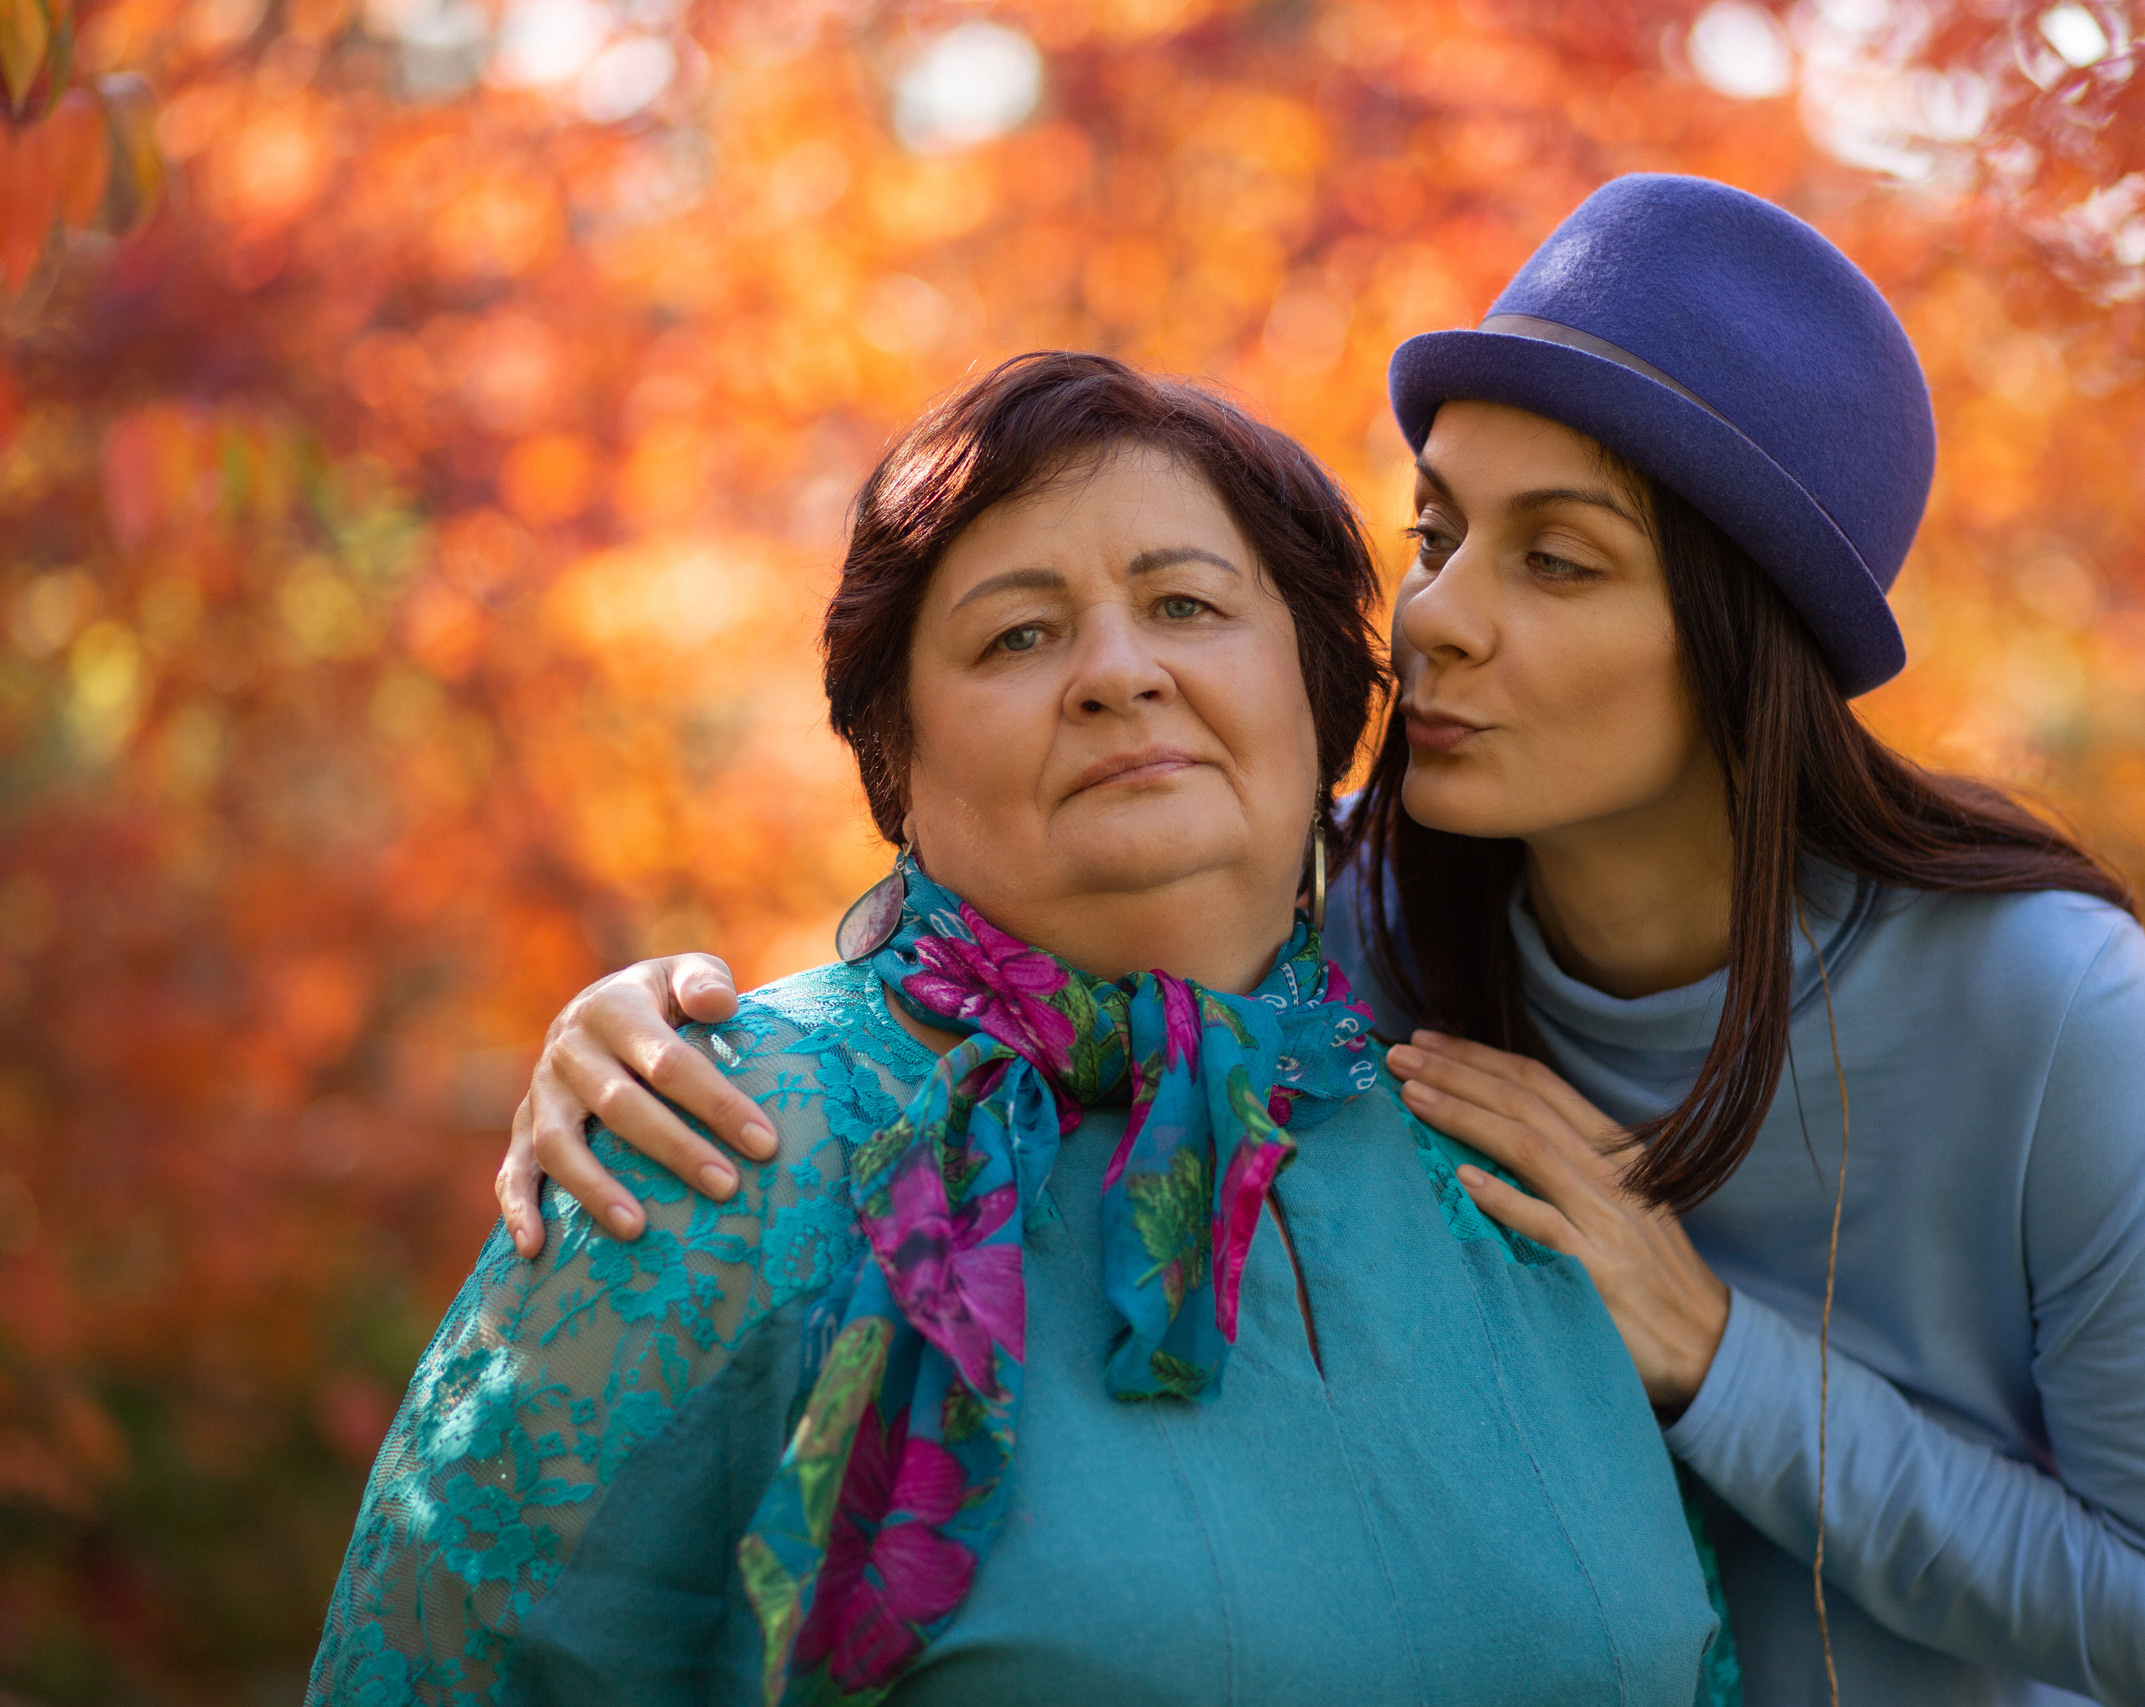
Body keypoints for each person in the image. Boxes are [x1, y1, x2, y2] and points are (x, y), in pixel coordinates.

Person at [496, 178, 2145, 1707]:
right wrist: (655, 1022)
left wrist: (1713, 1357)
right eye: (1439, 533)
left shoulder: (2032, 996)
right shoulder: (1366, 923)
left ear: (1742, 644)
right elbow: (1041, 920)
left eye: (1556, 563)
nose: (1434, 621)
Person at [308, 351, 1733, 1706]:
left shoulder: (1494, 1163)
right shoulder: (718, 1131)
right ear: (899, 771)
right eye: (1018, 635)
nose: (1117, 673)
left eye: (1186, 606)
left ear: (1325, 702)